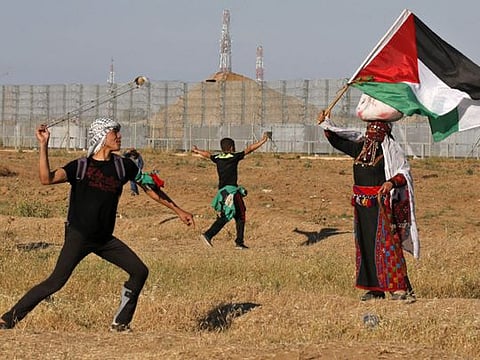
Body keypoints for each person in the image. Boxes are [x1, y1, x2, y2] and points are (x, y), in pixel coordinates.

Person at [0, 118, 194, 332]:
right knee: (56, 282)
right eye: (114, 133)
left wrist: (178, 210)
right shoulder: (81, 166)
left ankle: (120, 323)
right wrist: (43, 145)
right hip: (79, 236)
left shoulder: (124, 166)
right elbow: (46, 179)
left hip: (104, 239)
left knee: (139, 271)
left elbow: (150, 188)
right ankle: (8, 318)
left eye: (118, 132)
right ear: (102, 136)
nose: (119, 136)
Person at [318, 110, 419, 302]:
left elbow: (404, 173)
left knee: (388, 245)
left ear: (384, 132)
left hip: (381, 205)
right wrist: (326, 124)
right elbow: (338, 141)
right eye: (369, 129)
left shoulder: (390, 151)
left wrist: (391, 182)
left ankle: (399, 289)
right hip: (361, 205)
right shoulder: (359, 149)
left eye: (376, 130)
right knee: (366, 245)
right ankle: (374, 289)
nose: (371, 133)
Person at [192, 133, 269, 249]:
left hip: (222, 192)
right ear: (232, 148)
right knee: (239, 214)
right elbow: (249, 149)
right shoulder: (234, 157)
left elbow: (208, 155)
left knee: (234, 215)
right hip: (232, 192)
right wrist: (262, 141)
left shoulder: (217, 158)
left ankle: (237, 242)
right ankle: (210, 235)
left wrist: (197, 151)